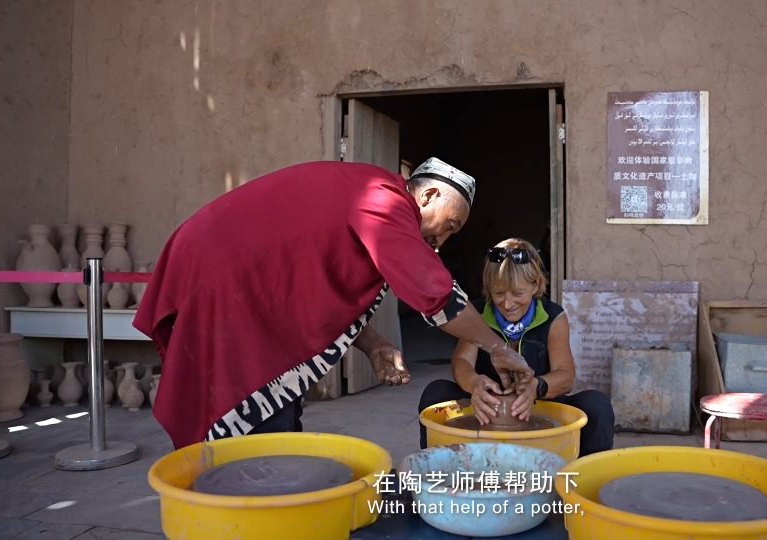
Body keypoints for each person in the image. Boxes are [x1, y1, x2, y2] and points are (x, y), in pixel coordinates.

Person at [133, 158, 535, 449]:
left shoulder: (369, 189)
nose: (440, 242)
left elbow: (314, 285)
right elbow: (436, 294)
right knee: (252, 411)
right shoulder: (384, 198)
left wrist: (373, 343)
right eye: (448, 226)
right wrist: (498, 349)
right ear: (428, 194)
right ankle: (263, 508)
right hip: (222, 277)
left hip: (234, 278)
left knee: (275, 408)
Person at [417, 238, 615, 457]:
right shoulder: (478, 312)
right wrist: (473, 384)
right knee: (435, 393)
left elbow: (566, 375)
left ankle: (585, 479)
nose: (508, 304)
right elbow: (462, 362)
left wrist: (536, 386)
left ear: (536, 285)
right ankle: (434, 473)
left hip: (538, 406)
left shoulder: (553, 316)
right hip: (486, 410)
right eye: (499, 293)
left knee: (596, 405)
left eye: (518, 294)